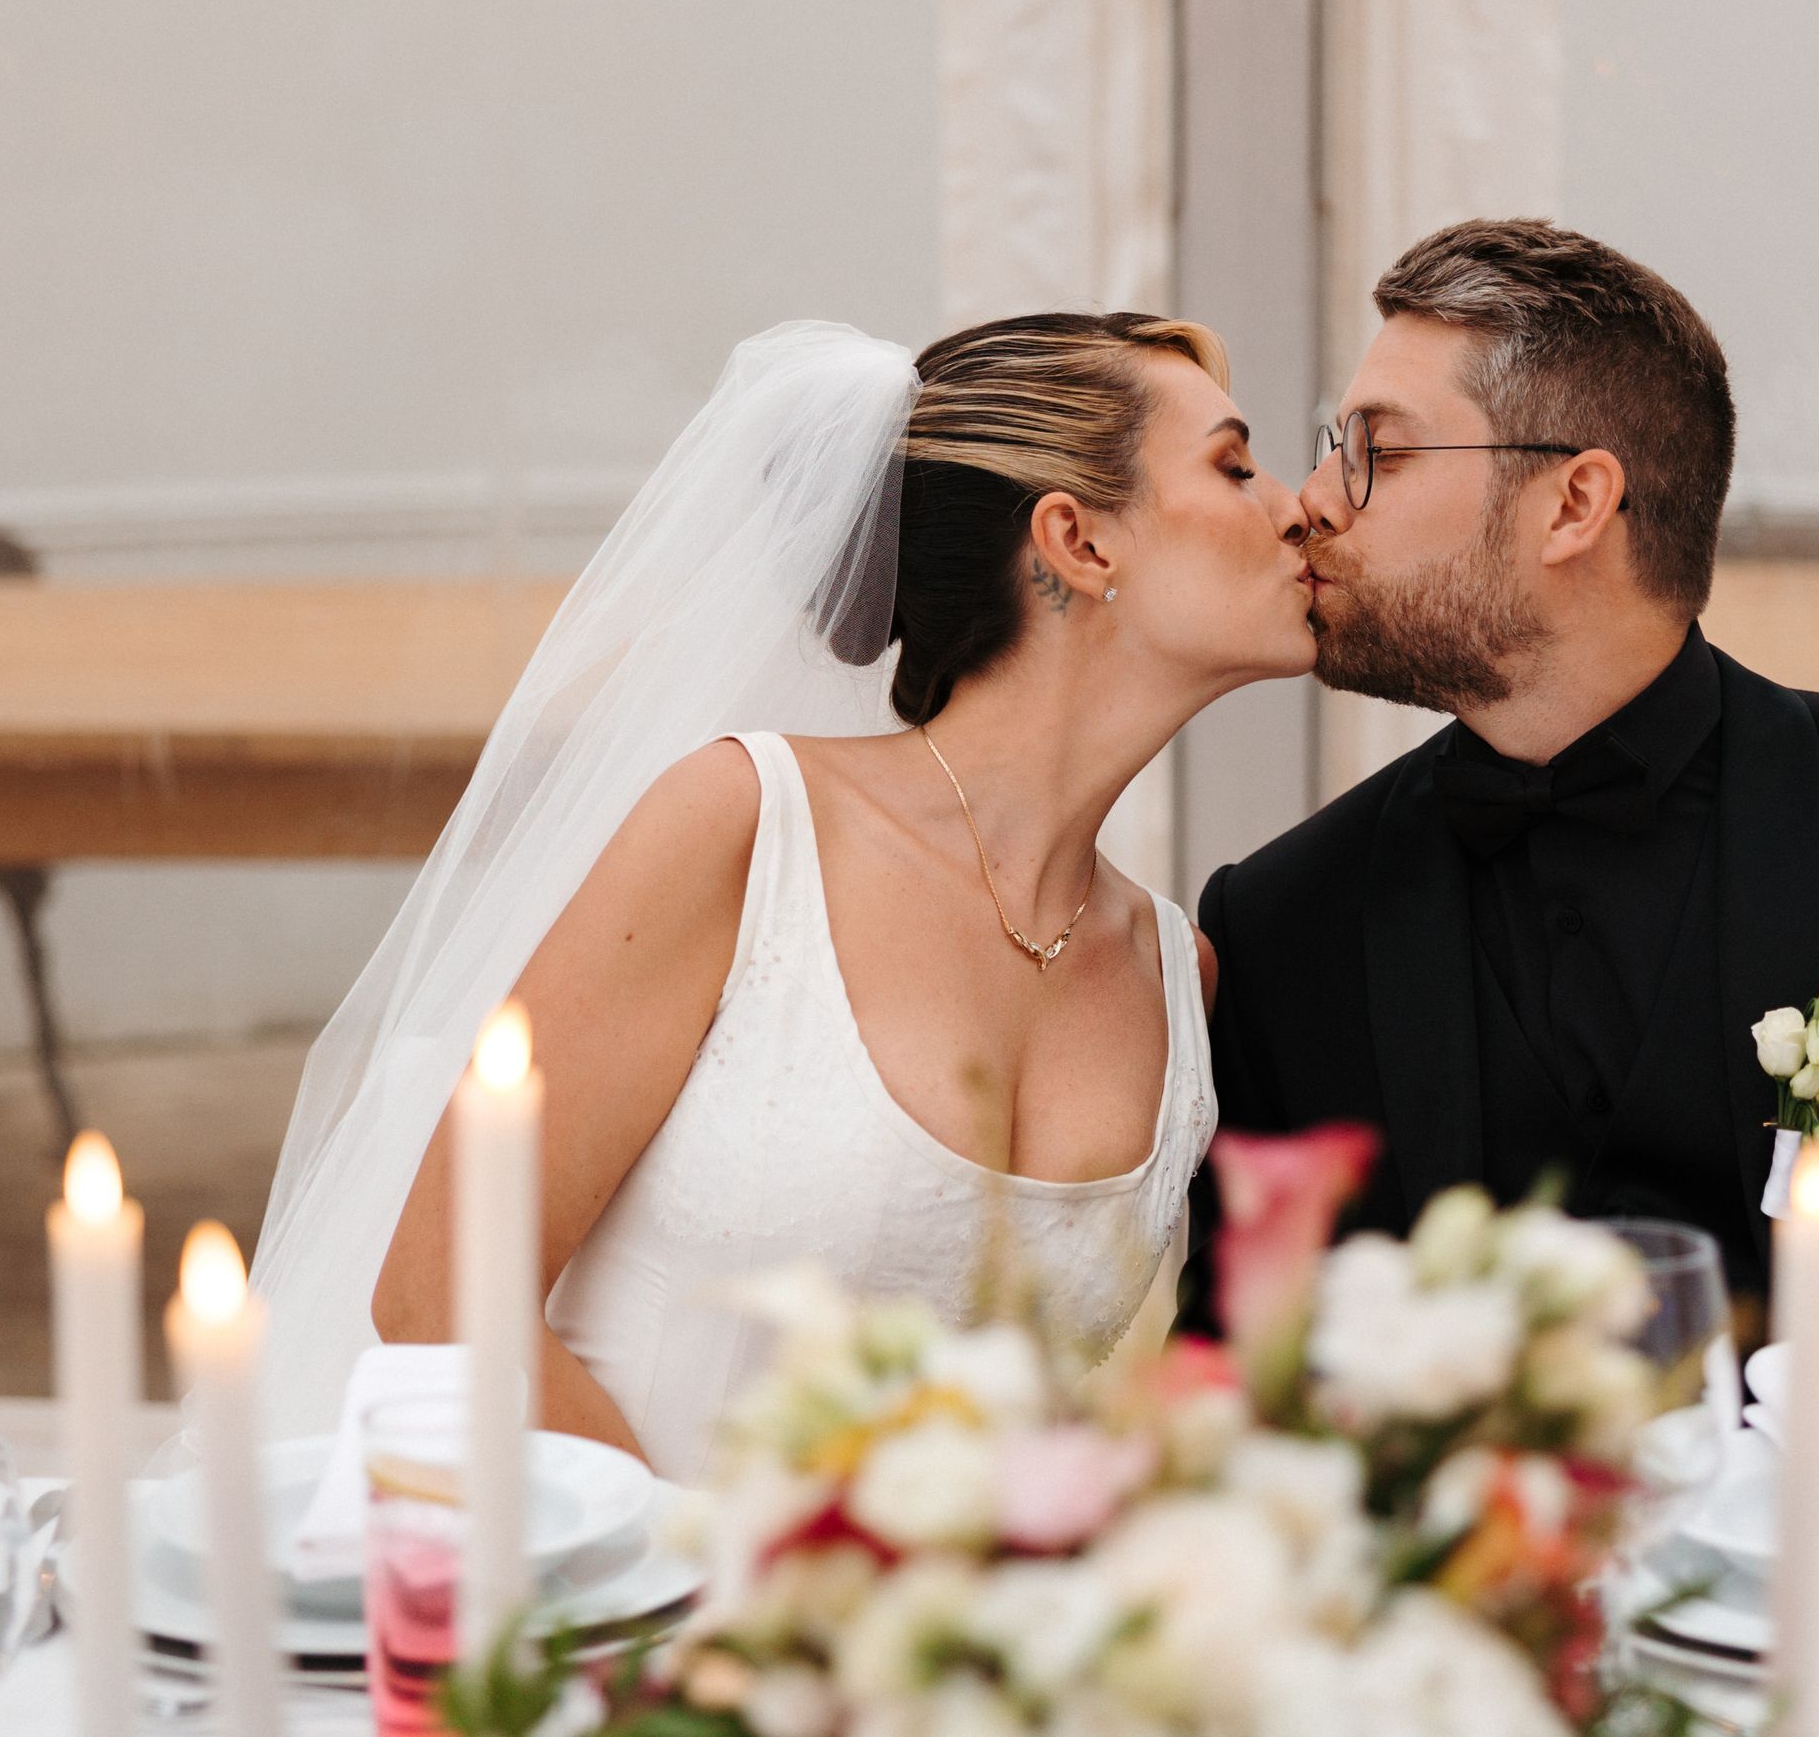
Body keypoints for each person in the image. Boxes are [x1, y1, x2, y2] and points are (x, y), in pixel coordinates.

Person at [1196, 220, 1819, 1496]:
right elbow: (1246, 1387)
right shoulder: (1282, 923)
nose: (1313, 502)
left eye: (1377, 451)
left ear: (1575, 501)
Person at [253, 315, 1313, 1478]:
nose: (1294, 506)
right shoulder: (745, 827)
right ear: (1077, 540)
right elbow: (441, 1295)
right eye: (1233, 465)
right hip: (618, 1618)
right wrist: (716, 1618)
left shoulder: (1180, 975)